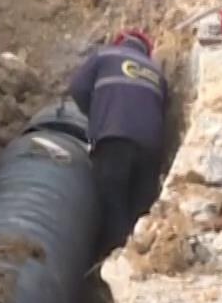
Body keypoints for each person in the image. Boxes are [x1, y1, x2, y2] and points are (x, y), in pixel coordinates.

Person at [67, 28, 169, 261]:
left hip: (114, 141)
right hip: (151, 148)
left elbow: (78, 88)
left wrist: (97, 116)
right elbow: (164, 109)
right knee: (139, 212)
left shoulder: (105, 56)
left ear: (119, 43)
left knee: (110, 204)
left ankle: (108, 269)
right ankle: (139, 265)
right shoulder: (157, 73)